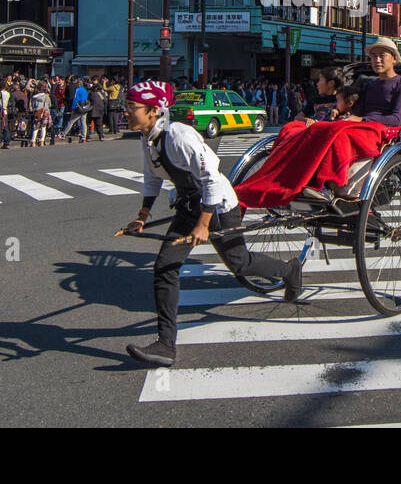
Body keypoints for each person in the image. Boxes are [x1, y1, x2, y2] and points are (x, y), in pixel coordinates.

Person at [122, 80, 301, 368]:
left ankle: (289, 270)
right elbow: (152, 177)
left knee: (240, 264)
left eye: (132, 108)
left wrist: (203, 224)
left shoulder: (179, 136)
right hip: (188, 206)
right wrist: (143, 216)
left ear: (154, 111)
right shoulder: (149, 138)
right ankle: (165, 345)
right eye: (127, 107)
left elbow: (211, 179)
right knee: (165, 267)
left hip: (217, 205)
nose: (126, 113)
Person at [342, 38, 401, 126]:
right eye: (374, 56)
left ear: (394, 59)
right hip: (362, 127)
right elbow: (357, 112)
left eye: (382, 55)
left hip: (383, 132)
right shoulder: (369, 85)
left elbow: (396, 119)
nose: (377, 60)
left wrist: (362, 120)